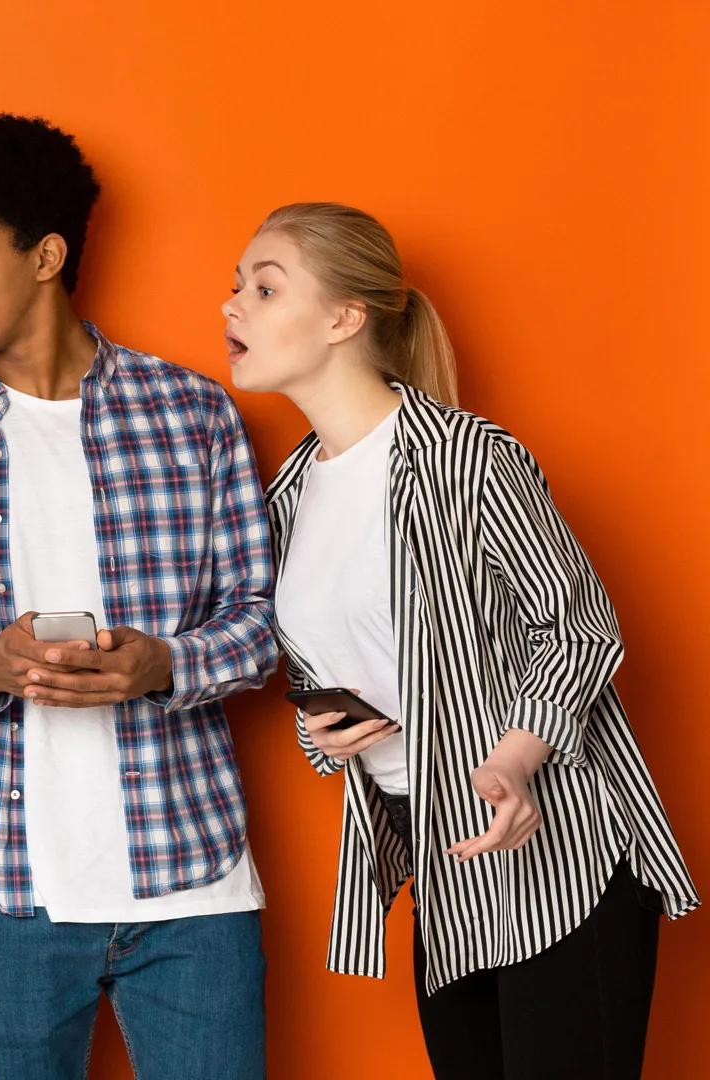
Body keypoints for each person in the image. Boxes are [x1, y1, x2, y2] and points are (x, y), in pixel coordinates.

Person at [228, 201, 699, 1079]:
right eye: (235, 287)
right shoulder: (287, 497)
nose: (231, 307)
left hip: (558, 852)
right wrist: (321, 735)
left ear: (344, 318)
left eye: (263, 285)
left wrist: (517, 758)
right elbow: (329, 679)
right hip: (443, 869)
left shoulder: (466, 457)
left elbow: (582, 624)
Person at [0, 115, 277, 1080]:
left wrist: (165, 664)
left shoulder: (192, 414)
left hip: (192, 882)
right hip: (8, 889)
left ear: (46, 254)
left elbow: (261, 625)